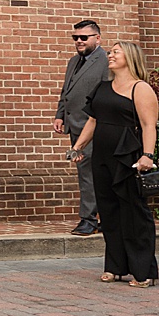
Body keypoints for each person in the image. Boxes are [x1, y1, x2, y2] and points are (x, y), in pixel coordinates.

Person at [69, 40, 159, 287]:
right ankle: (116, 266)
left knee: (133, 212)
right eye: (110, 52)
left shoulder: (140, 88)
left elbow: (149, 125)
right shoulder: (103, 87)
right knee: (108, 212)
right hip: (102, 157)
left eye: (116, 52)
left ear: (130, 57)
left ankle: (144, 271)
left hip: (129, 157)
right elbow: (93, 121)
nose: (110, 55)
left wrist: (147, 156)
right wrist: (77, 147)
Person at [52, 19, 110, 236]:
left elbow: (106, 94)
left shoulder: (105, 61)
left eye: (83, 37)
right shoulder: (73, 62)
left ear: (97, 38)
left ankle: (89, 219)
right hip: (74, 124)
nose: (78, 41)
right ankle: (99, 218)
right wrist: (60, 115)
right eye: (75, 37)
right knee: (86, 174)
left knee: (89, 174)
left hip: (94, 127)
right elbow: (66, 91)